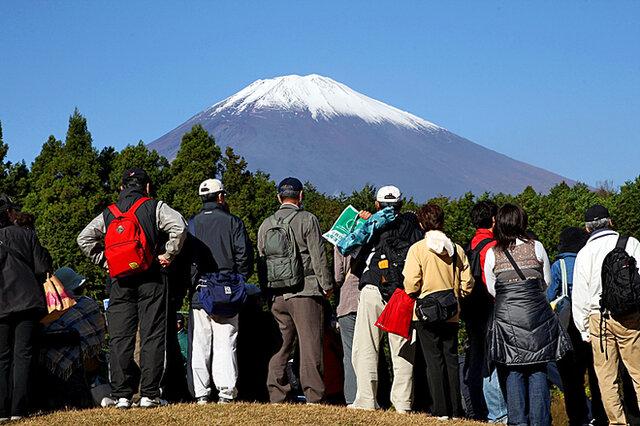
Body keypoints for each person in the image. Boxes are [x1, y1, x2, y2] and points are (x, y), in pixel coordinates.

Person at [77, 168, 187, 409]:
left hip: (119, 281)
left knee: (119, 338)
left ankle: (121, 395)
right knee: (152, 335)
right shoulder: (155, 206)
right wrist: (167, 254)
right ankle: (149, 394)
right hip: (151, 277)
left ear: (121, 187)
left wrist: (107, 262)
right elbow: (179, 226)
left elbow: (83, 239)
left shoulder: (109, 212)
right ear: (146, 187)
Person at [485, 204, 570, 426]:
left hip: (507, 318)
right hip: (537, 316)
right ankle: (540, 422)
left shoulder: (493, 253)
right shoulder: (537, 247)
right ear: (522, 222)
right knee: (538, 367)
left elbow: (491, 288)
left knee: (512, 369)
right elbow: (547, 282)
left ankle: (517, 421)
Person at [257, 177, 333, 404]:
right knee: (310, 346)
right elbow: (318, 256)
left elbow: (261, 262)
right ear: (300, 196)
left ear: (278, 196)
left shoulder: (265, 224)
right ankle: (314, 396)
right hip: (305, 292)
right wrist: (327, 286)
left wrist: (266, 293)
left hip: (277, 295)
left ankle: (277, 392)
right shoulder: (307, 219)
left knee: (282, 345)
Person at [349, 186, 422, 413]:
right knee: (402, 349)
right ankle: (402, 403)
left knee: (366, 346)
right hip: (401, 292)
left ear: (377, 204)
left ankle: (366, 400)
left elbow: (352, 252)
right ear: (401, 204)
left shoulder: (372, 225)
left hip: (372, 287)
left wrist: (362, 222)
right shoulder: (411, 226)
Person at [403, 203, 474, 420]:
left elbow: (411, 285)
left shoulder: (417, 249)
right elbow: (467, 283)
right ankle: (456, 409)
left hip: (426, 312)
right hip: (451, 311)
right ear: (442, 222)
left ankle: (440, 409)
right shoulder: (456, 249)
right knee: (451, 359)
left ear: (422, 223)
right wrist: (457, 294)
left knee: (433, 361)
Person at [572, 205, 640, 426]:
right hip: (630, 316)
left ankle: (617, 423)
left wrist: (583, 330)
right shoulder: (631, 243)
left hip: (598, 319)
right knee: (638, 372)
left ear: (586, 228)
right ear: (611, 222)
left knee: (606, 377)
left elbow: (580, 294)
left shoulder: (584, 253)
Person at [188, 178, 253, 404]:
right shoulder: (233, 222)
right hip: (227, 290)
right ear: (221, 197)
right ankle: (226, 392)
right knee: (226, 342)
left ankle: (201, 393)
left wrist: (193, 283)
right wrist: (239, 280)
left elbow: (187, 259)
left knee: (200, 344)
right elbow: (243, 256)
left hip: (200, 292)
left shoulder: (192, 223)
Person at [546, 227, 606, 426]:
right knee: (597, 373)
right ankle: (600, 415)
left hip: (568, 327)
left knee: (571, 378)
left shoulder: (559, 265)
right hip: (591, 322)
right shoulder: (588, 259)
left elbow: (549, 296)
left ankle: (577, 418)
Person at [0, 195, 52, 421]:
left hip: (0, 304)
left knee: (1, 357)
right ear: (10, 213)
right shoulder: (27, 235)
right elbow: (42, 269)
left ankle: (1, 410)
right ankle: (18, 410)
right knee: (23, 354)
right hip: (27, 300)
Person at [462, 200, 507, 423]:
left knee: (477, 358)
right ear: (493, 220)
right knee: (492, 361)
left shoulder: (472, 244)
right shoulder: (492, 247)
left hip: (472, 309)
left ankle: (477, 409)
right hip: (489, 309)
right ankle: (498, 413)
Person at [38, 267, 107, 410]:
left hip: (48, 363)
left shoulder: (48, 309)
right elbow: (98, 332)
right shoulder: (87, 303)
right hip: (84, 362)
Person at [333, 247, 359, 405]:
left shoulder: (341, 242)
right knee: (371, 352)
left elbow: (337, 276)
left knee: (349, 353)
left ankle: (352, 397)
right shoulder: (371, 236)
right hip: (369, 298)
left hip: (348, 300)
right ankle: (374, 395)